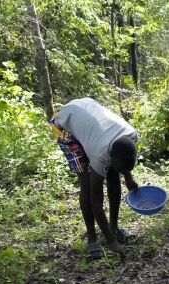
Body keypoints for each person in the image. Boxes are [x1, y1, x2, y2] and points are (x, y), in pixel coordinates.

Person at [51, 97, 140, 259]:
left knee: (113, 175)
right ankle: (92, 238)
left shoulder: (131, 135)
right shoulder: (100, 155)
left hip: (87, 115)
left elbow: (122, 162)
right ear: (110, 156)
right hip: (65, 126)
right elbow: (96, 203)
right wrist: (111, 242)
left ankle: (113, 227)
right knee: (86, 183)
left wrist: (128, 177)